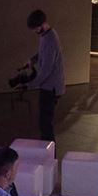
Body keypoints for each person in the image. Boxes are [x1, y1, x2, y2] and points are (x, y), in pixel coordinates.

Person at [26, 9, 64, 142]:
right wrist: (33, 60)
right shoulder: (45, 36)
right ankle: (47, 148)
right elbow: (42, 53)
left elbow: (47, 68)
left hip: (51, 87)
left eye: (36, 28)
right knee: (44, 122)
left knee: (45, 123)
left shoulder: (50, 38)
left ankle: (49, 149)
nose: (35, 31)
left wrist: (31, 84)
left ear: (42, 24)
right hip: (47, 86)